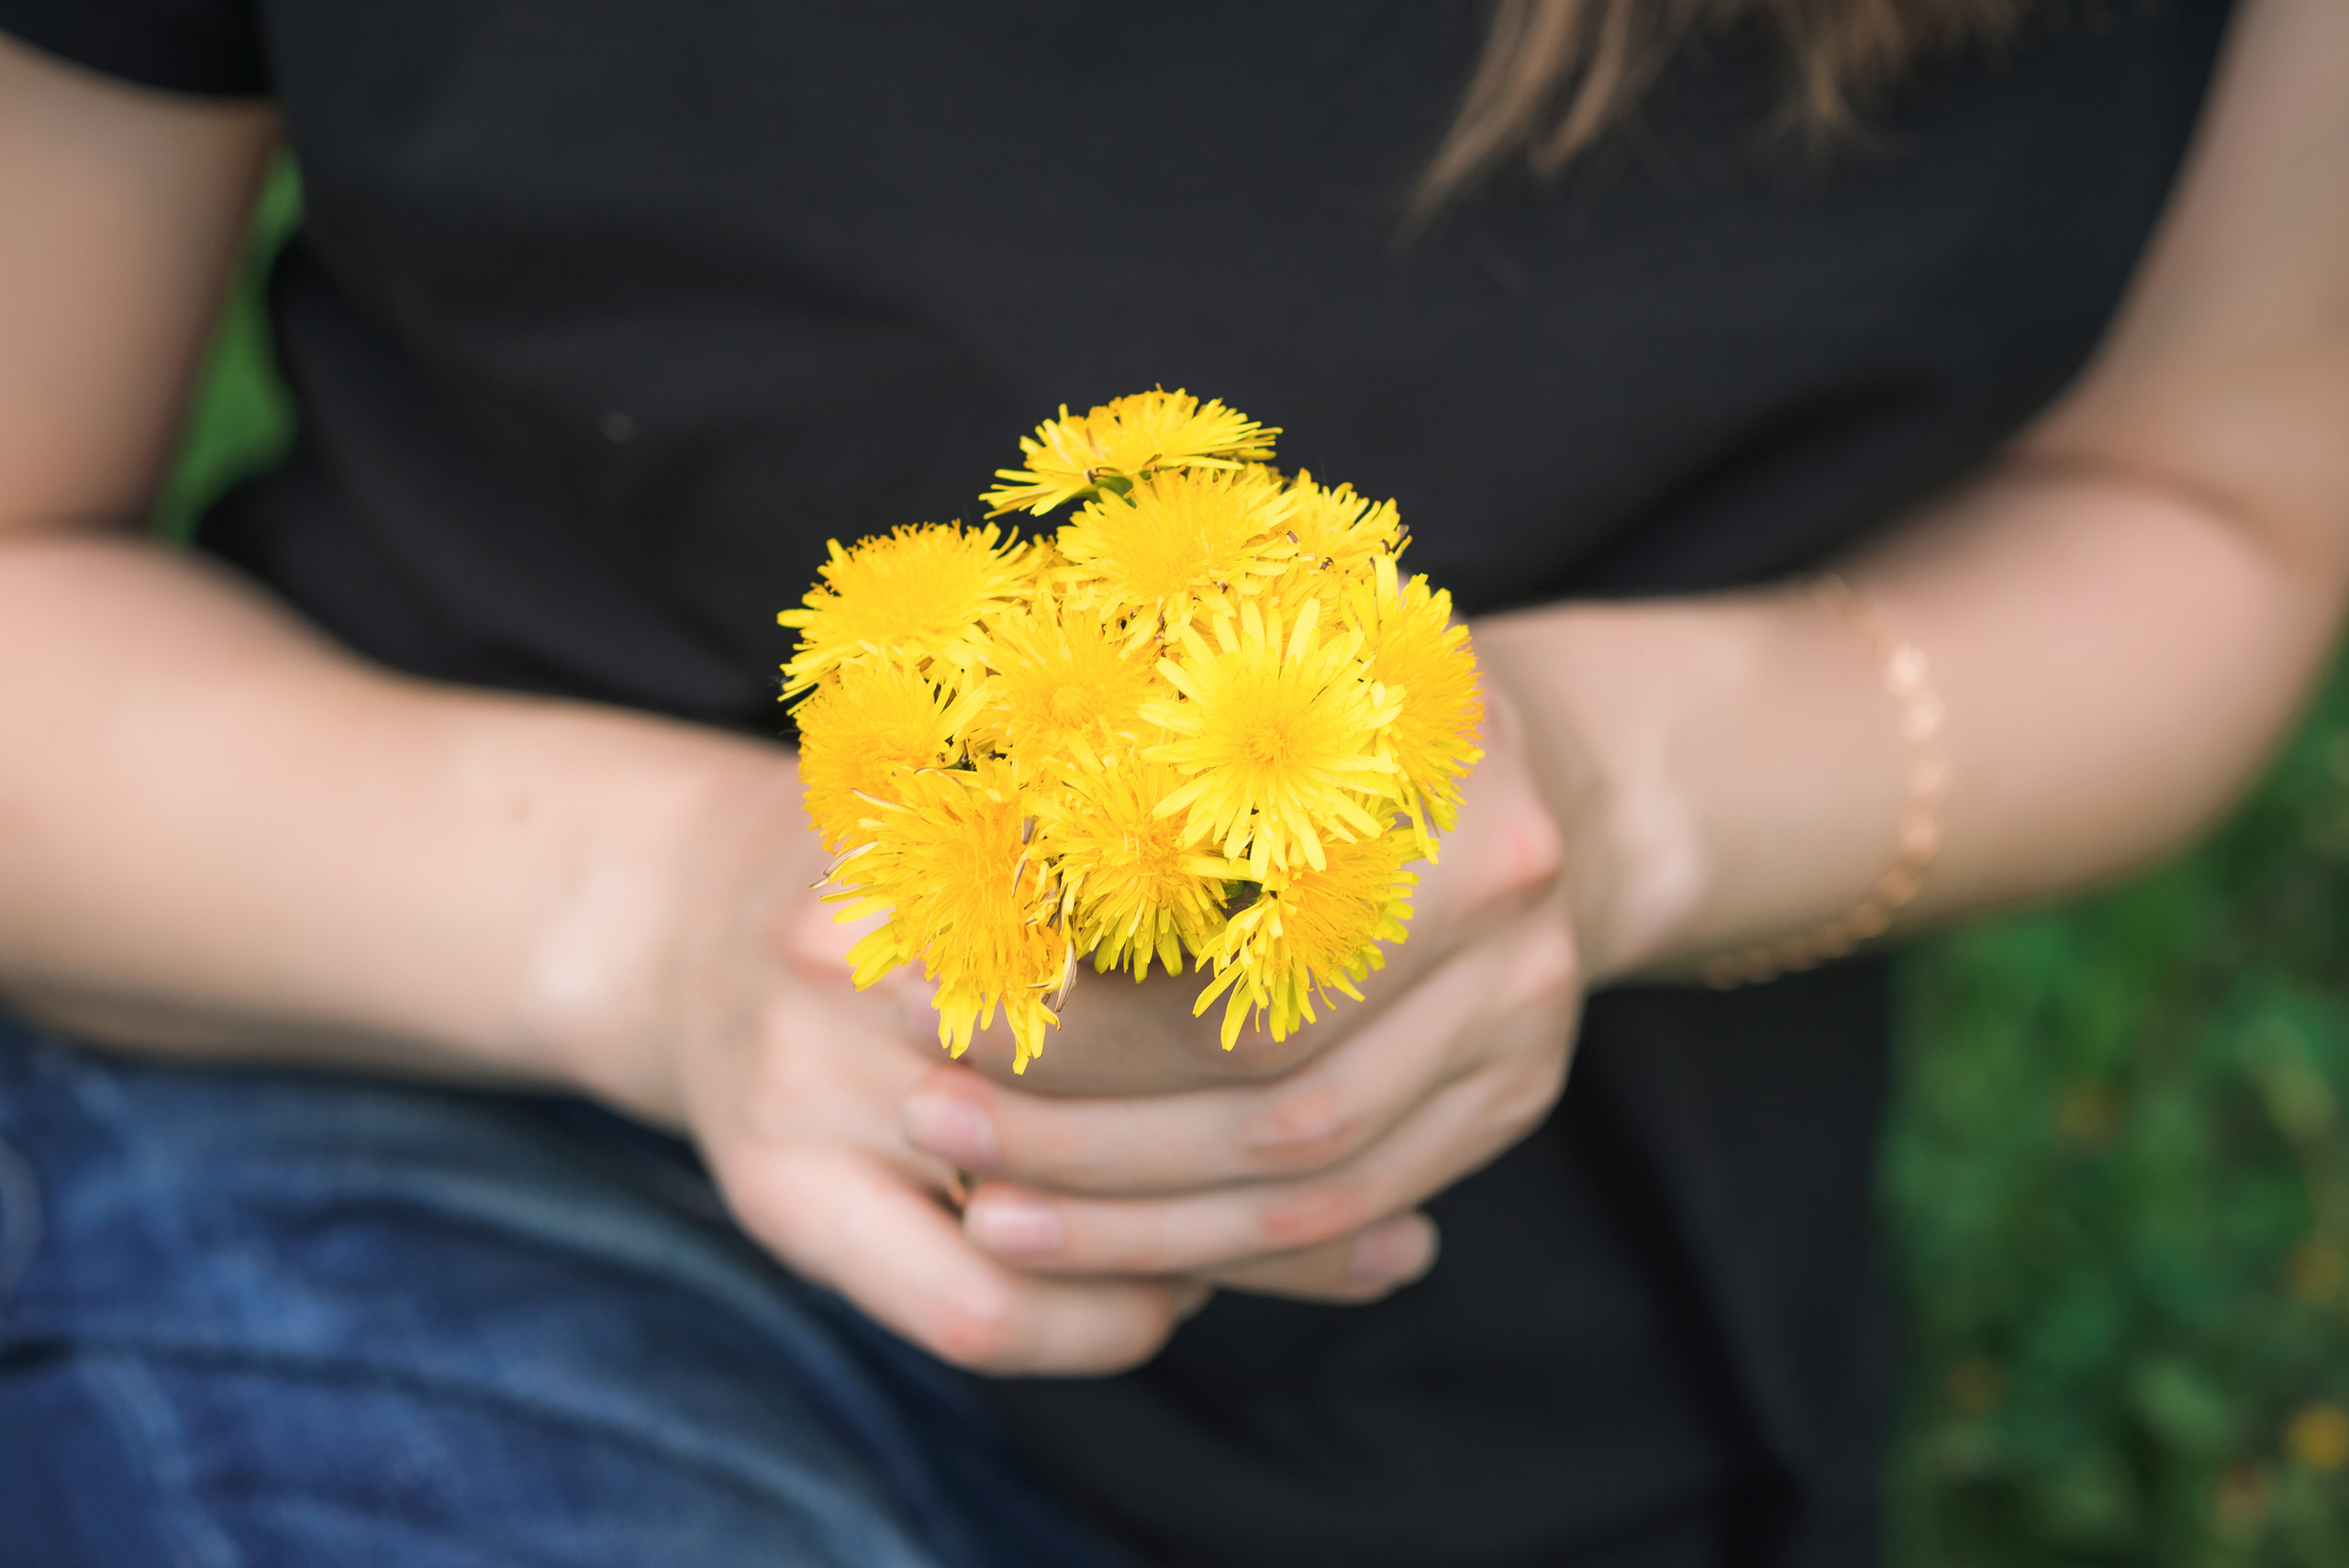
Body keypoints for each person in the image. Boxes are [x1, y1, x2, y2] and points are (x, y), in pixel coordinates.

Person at [1, 1, 2343, 1563]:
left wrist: (1599, 804)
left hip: (1554, 1390)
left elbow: (2210, 500)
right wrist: (687, 930)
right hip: (411, 1191)